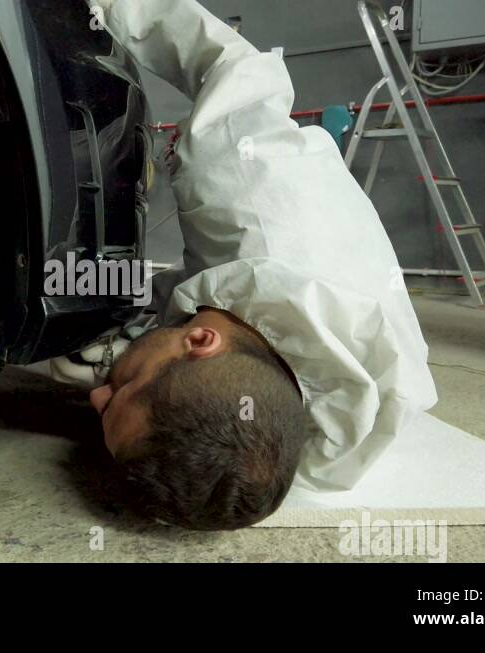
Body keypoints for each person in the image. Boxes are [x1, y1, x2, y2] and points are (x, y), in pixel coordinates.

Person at [61, 0, 438, 530]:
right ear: (199, 341)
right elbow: (228, 61)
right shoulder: (238, 184)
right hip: (270, 192)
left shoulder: (320, 413)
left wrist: (119, 343)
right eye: (120, 392)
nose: (98, 394)